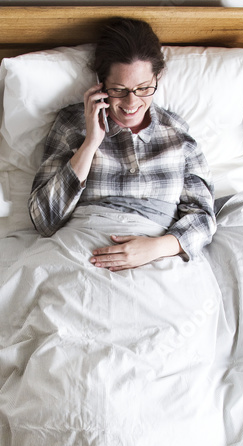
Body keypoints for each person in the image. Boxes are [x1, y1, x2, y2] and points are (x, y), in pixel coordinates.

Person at [28, 17, 216, 272]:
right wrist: (91, 143)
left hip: (157, 260)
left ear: (157, 77)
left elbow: (203, 218)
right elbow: (44, 219)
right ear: (100, 83)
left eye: (143, 88)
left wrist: (155, 248)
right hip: (81, 252)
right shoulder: (72, 123)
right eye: (118, 89)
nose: (130, 103)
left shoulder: (177, 135)